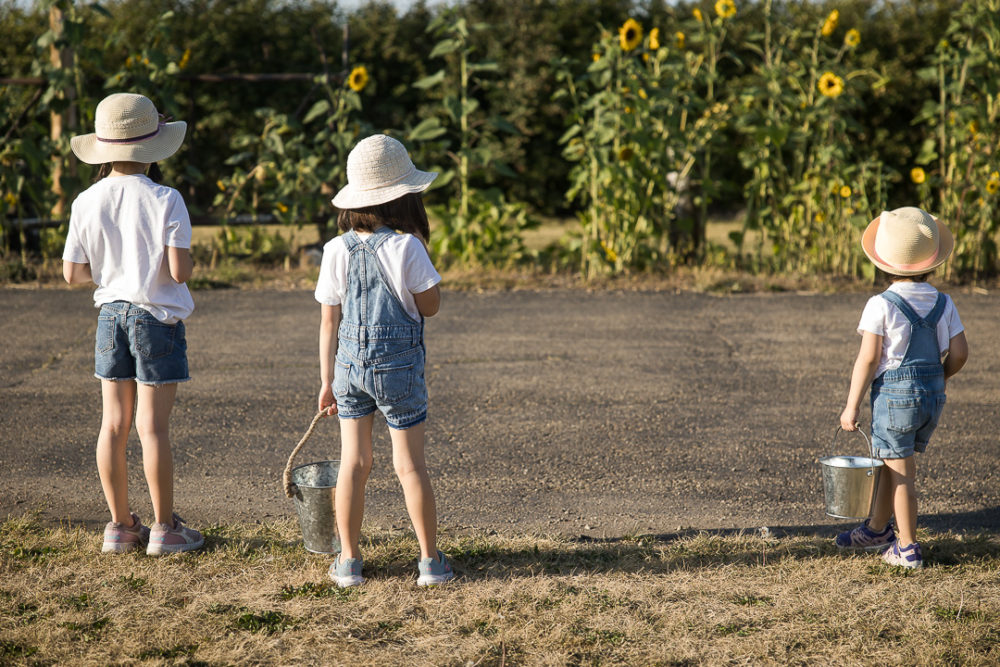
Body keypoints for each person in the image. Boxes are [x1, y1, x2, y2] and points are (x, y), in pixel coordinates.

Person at [62, 93, 204, 556]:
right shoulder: (167, 199)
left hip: (110, 317)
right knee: (153, 429)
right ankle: (164, 528)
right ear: (154, 146)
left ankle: (121, 526)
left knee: (113, 425)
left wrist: (110, 272)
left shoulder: (86, 200)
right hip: (155, 319)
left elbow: (73, 273)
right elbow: (179, 272)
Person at [315, 134, 454, 587]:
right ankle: (430, 563)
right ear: (405, 197)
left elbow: (328, 323)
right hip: (398, 370)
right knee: (409, 465)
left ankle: (349, 561)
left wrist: (327, 381)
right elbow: (430, 306)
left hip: (348, 368)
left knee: (353, 462)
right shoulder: (408, 247)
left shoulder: (335, 249)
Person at [837, 207, 968, 569]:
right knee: (889, 460)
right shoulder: (943, 302)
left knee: (900, 474)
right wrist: (939, 377)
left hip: (895, 400)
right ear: (933, 262)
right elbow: (959, 353)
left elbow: (867, 360)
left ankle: (907, 548)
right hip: (932, 397)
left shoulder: (880, 304)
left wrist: (851, 407)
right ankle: (878, 529)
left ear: (882, 263)